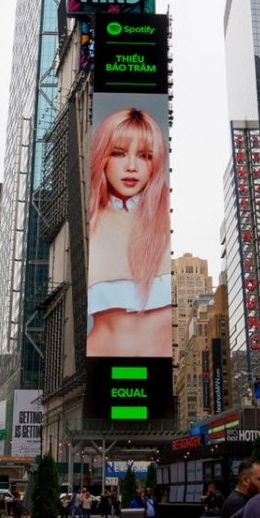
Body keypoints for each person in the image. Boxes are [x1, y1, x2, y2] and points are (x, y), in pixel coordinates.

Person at [86, 106, 171, 358]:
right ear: (103, 156)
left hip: (159, 368)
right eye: (119, 153)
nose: (132, 166)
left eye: (145, 156)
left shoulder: (168, 219)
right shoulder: (91, 222)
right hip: (100, 362)